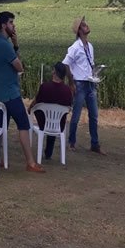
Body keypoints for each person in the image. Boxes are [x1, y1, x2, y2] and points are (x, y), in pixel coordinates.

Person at [0, 11, 45, 173]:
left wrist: (14, 46)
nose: (13, 26)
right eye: (11, 23)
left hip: (1, 91)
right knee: (24, 124)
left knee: (0, 127)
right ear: (3, 25)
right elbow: (19, 67)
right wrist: (16, 46)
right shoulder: (5, 45)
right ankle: (30, 162)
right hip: (10, 93)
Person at [63, 16, 105, 154]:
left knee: (94, 115)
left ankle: (95, 144)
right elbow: (66, 64)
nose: (87, 26)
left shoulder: (90, 46)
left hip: (90, 83)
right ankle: (71, 142)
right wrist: (71, 82)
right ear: (79, 31)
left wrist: (96, 73)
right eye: (84, 25)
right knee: (76, 115)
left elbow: (89, 64)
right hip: (80, 84)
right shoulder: (75, 47)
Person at [28, 62, 73, 160]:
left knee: (45, 114)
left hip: (43, 122)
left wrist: (30, 108)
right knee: (54, 118)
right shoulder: (67, 90)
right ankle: (48, 153)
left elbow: (37, 101)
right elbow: (69, 106)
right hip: (59, 124)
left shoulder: (45, 87)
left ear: (54, 72)